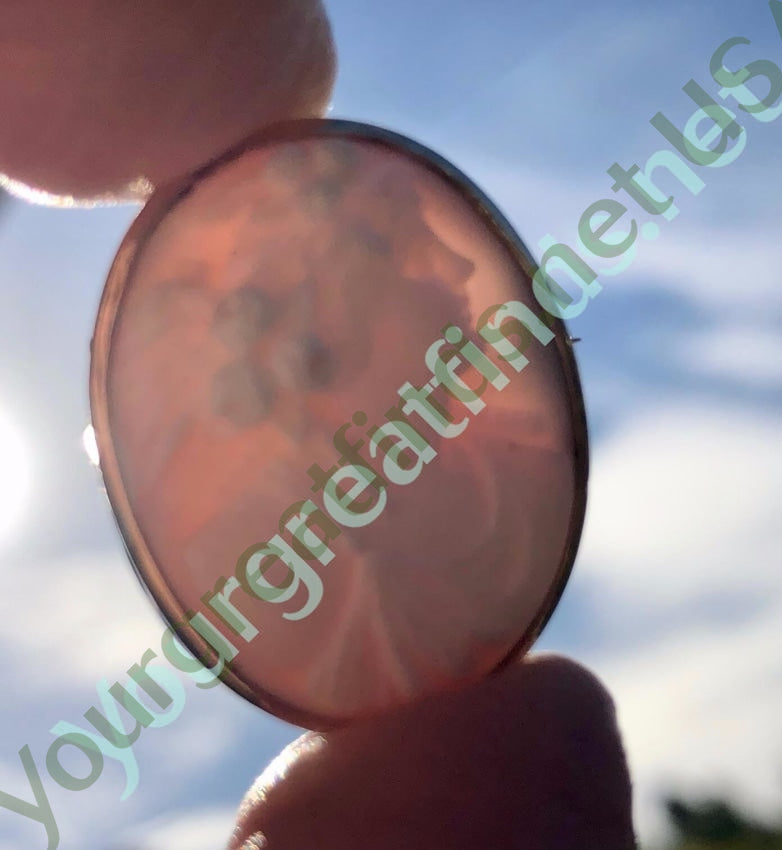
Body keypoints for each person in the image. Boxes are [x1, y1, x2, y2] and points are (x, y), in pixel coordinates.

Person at [0, 3, 636, 847]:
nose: (454, 278)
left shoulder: (492, 497)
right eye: (416, 266)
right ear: (320, 345)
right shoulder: (288, 570)